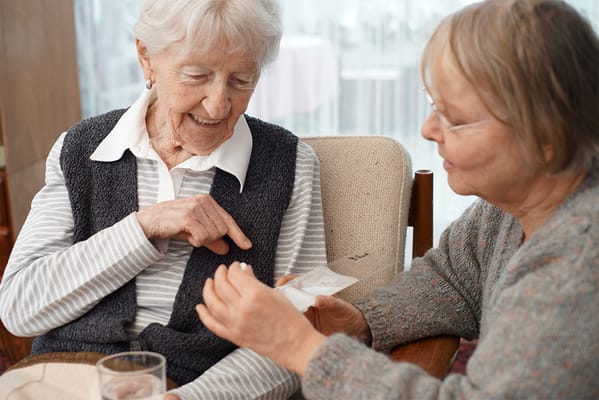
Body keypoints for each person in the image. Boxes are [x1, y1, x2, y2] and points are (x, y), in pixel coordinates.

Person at [196, 0, 599, 398]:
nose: (427, 129)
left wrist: (299, 347)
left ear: (548, 136)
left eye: (454, 118)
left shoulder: (577, 267)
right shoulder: (506, 211)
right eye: (433, 107)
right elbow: (452, 279)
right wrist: (361, 320)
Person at [0, 0, 327, 398]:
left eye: (242, 80)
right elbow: (20, 307)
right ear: (146, 57)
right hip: (61, 379)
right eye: (196, 75)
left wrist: (186, 399)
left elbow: (298, 336)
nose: (218, 104)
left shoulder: (287, 164)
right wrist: (145, 227)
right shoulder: (82, 149)